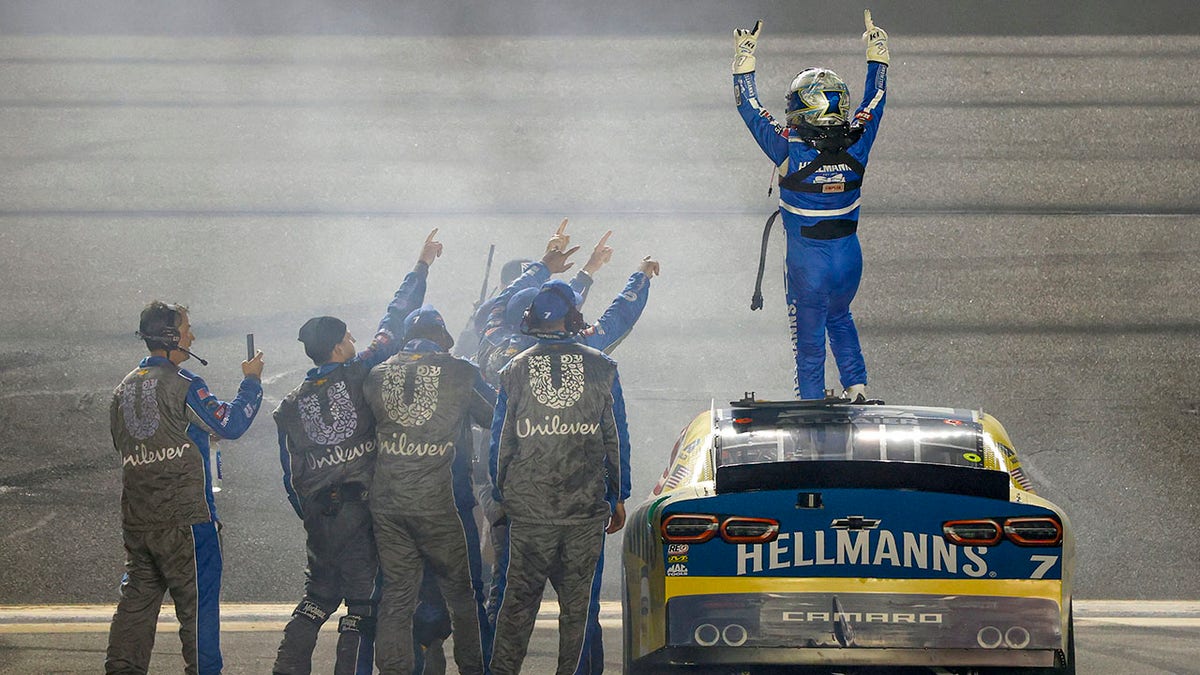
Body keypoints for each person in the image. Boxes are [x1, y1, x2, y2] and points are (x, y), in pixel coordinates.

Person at [271, 230, 441, 675]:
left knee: (318, 596)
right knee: (363, 605)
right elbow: (396, 318)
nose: (353, 340)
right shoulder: (359, 370)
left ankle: (287, 669)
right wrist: (421, 266)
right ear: (340, 346)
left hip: (318, 515)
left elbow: (290, 474)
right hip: (358, 509)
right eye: (348, 336)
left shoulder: (288, 405)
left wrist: (310, 508)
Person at [732, 11, 889, 401]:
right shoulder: (860, 142)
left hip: (808, 266)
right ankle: (857, 388)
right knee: (841, 316)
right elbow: (876, 99)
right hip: (850, 260)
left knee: (808, 338)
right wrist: (878, 57)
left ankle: (813, 401)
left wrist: (744, 62)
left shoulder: (789, 149)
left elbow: (749, 108)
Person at [106, 301, 265, 675]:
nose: (192, 335)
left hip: (139, 521)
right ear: (171, 336)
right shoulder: (185, 384)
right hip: (187, 522)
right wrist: (251, 382)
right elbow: (230, 424)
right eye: (187, 328)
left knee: (135, 610)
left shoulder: (121, 391)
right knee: (198, 614)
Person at [488, 280, 628, 675]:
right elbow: (614, 437)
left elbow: (501, 444)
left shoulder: (513, 369)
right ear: (573, 316)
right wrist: (618, 493)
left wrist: (504, 496)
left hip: (530, 514)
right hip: (583, 512)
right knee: (577, 613)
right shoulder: (602, 366)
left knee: (516, 609)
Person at [364, 306, 496, 675]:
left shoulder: (377, 375)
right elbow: (497, 415)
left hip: (388, 506)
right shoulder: (460, 371)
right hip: (442, 505)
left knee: (398, 597)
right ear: (442, 337)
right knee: (462, 595)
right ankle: (473, 669)